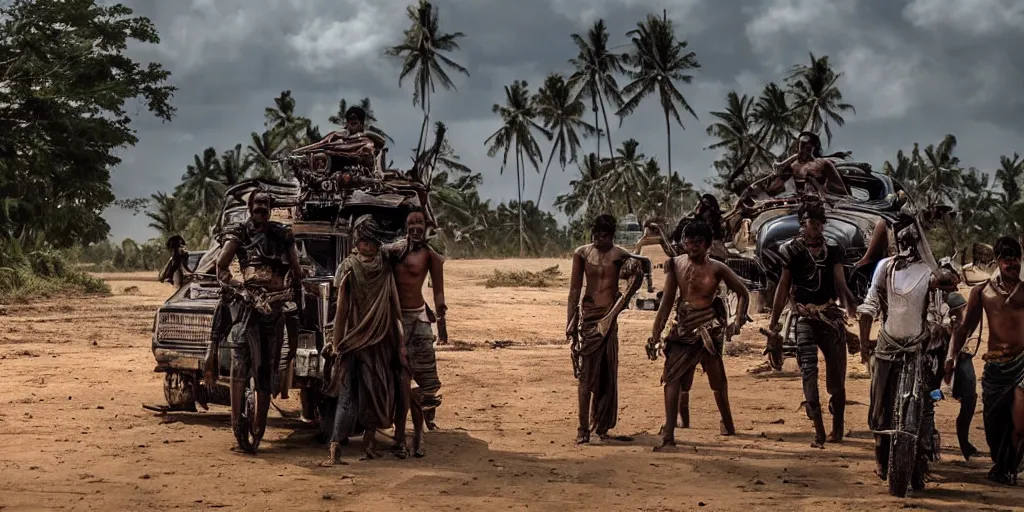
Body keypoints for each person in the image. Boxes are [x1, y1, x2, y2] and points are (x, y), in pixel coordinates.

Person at [647, 221, 749, 449]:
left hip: (708, 331)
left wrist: (736, 322)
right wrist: (655, 333)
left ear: (708, 245)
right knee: (672, 378)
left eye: (698, 243)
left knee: (717, 380)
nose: (693, 247)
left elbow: (743, 292)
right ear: (684, 243)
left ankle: (728, 423)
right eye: (690, 242)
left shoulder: (717, 269)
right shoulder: (675, 264)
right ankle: (669, 434)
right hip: (682, 329)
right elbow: (666, 302)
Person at [213, 191, 304, 448]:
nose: (261, 209)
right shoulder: (240, 233)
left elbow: (296, 270)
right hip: (248, 302)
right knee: (239, 354)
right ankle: (236, 424)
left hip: (273, 307)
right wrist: (238, 286)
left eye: (265, 204)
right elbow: (221, 266)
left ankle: (259, 428)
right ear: (250, 207)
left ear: (270, 207)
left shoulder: (283, 234)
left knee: (268, 366)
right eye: (257, 205)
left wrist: (295, 284)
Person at [768, 199, 859, 448]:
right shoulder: (791, 251)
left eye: (820, 222)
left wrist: (849, 303)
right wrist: (774, 322)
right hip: (804, 317)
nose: (816, 227)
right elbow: (783, 286)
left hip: (829, 315)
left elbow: (840, 282)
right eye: (812, 222)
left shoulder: (833, 248)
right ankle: (818, 430)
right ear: (803, 223)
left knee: (837, 378)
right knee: (808, 371)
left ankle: (837, 426)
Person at [320, 215, 409, 466]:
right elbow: (343, 310)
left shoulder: (370, 264)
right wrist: (337, 344)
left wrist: (337, 344)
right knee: (363, 393)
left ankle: (357, 444)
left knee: (362, 393)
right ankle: (341, 445)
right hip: (365, 342)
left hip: (368, 342)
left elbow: (342, 311)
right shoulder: (362, 265)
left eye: (371, 241)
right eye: (365, 240)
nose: (367, 245)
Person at [857, 225, 940, 487]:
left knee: (925, 402)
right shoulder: (885, 267)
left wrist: (938, 328)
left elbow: (940, 307)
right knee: (878, 407)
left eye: (912, 239)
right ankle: (881, 455)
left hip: (917, 348)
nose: (907, 244)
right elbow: (869, 305)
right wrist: (863, 344)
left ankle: (921, 456)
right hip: (887, 345)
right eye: (903, 239)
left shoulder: (930, 272)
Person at [945, 235, 1024, 485]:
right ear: (998, 261)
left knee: (1021, 424)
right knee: (994, 427)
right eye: (1008, 259)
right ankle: (1002, 466)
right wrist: (951, 356)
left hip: (1022, 365)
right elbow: (965, 328)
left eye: (1018, 259)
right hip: (995, 369)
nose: (1014, 264)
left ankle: (1011, 467)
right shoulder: (982, 293)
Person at [566, 214, 645, 444]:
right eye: (597, 236)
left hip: (609, 321)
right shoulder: (582, 253)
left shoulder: (620, 255)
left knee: (607, 375)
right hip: (588, 321)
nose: (601, 240)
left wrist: (617, 308)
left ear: (612, 236)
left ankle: (600, 424)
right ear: (593, 235)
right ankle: (582, 428)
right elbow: (574, 290)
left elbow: (637, 273)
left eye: (606, 237)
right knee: (585, 376)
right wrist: (570, 321)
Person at [385, 206, 447, 457]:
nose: (416, 230)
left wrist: (441, 315)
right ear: (406, 229)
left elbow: (438, 291)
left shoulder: (431, 256)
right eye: (411, 227)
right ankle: (399, 436)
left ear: (426, 228)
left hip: (419, 320)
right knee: (398, 380)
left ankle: (418, 437)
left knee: (423, 382)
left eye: (419, 226)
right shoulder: (395, 252)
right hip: (395, 320)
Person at [764, 131, 848, 198]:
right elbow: (772, 190)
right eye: (803, 143)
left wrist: (823, 191)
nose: (807, 146)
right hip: (800, 207)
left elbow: (841, 190)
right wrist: (775, 175)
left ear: (814, 147)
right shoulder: (793, 166)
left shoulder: (823, 163)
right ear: (799, 145)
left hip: (821, 206)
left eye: (811, 143)